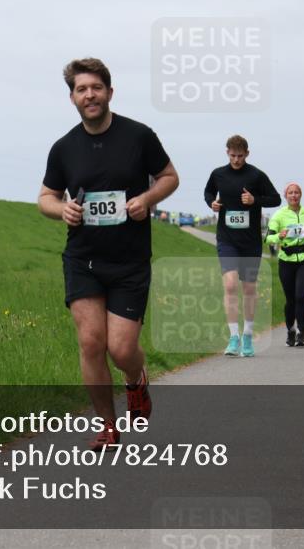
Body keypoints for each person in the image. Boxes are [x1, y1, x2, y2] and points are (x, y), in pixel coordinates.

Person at [39, 57, 179, 449]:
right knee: (90, 342)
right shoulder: (64, 148)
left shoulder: (138, 136)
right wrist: (62, 209)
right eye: (81, 89)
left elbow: (170, 177)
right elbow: (45, 197)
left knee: (121, 349)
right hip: (82, 258)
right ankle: (107, 425)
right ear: (72, 98)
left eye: (96, 88)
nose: (90, 95)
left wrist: (147, 199)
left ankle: (136, 379)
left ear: (110, 93)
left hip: (129, 260)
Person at [203, 135, 280, 358]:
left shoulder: (256, 175)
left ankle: (247, 335)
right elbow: (208, 192)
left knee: (248, 289)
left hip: (250, 241)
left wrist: (255, 201)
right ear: (227, 152)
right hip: (227, 239)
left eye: (240, 156)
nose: (236, 160)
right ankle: (233, 337)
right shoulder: (218, 174)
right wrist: (211, 203)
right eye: (232, 155)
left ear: (247, 153)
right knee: (229, 285)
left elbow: (275, 199)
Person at [266, 183, 304, 347]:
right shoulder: (279, 215)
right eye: (290, 193)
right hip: (286, 260)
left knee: (300, 296)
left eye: (296, 192)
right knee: (290, 299)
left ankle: (301, 334)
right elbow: (268, 238)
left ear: (300, 195)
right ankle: (290, 330)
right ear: (286, 196)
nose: (294, 195)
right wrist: (279, 236)